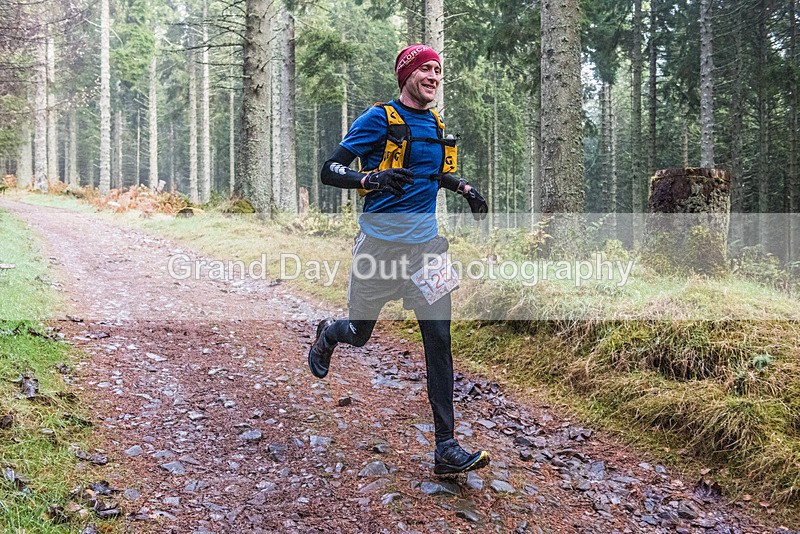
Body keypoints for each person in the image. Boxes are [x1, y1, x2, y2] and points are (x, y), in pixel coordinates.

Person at [308, 44, 490, 475]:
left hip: (427, 249)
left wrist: (463, 188)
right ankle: (330, 333)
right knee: (360, 331)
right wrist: (369, 177)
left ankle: (446, 447)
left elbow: (432, 171)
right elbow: (329, 170)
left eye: (439, 71)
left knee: (440, 341)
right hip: (379, 250)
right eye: (426, 69)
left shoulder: (436, 123)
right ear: (406, 74)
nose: (434, 76)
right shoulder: (379, 119)